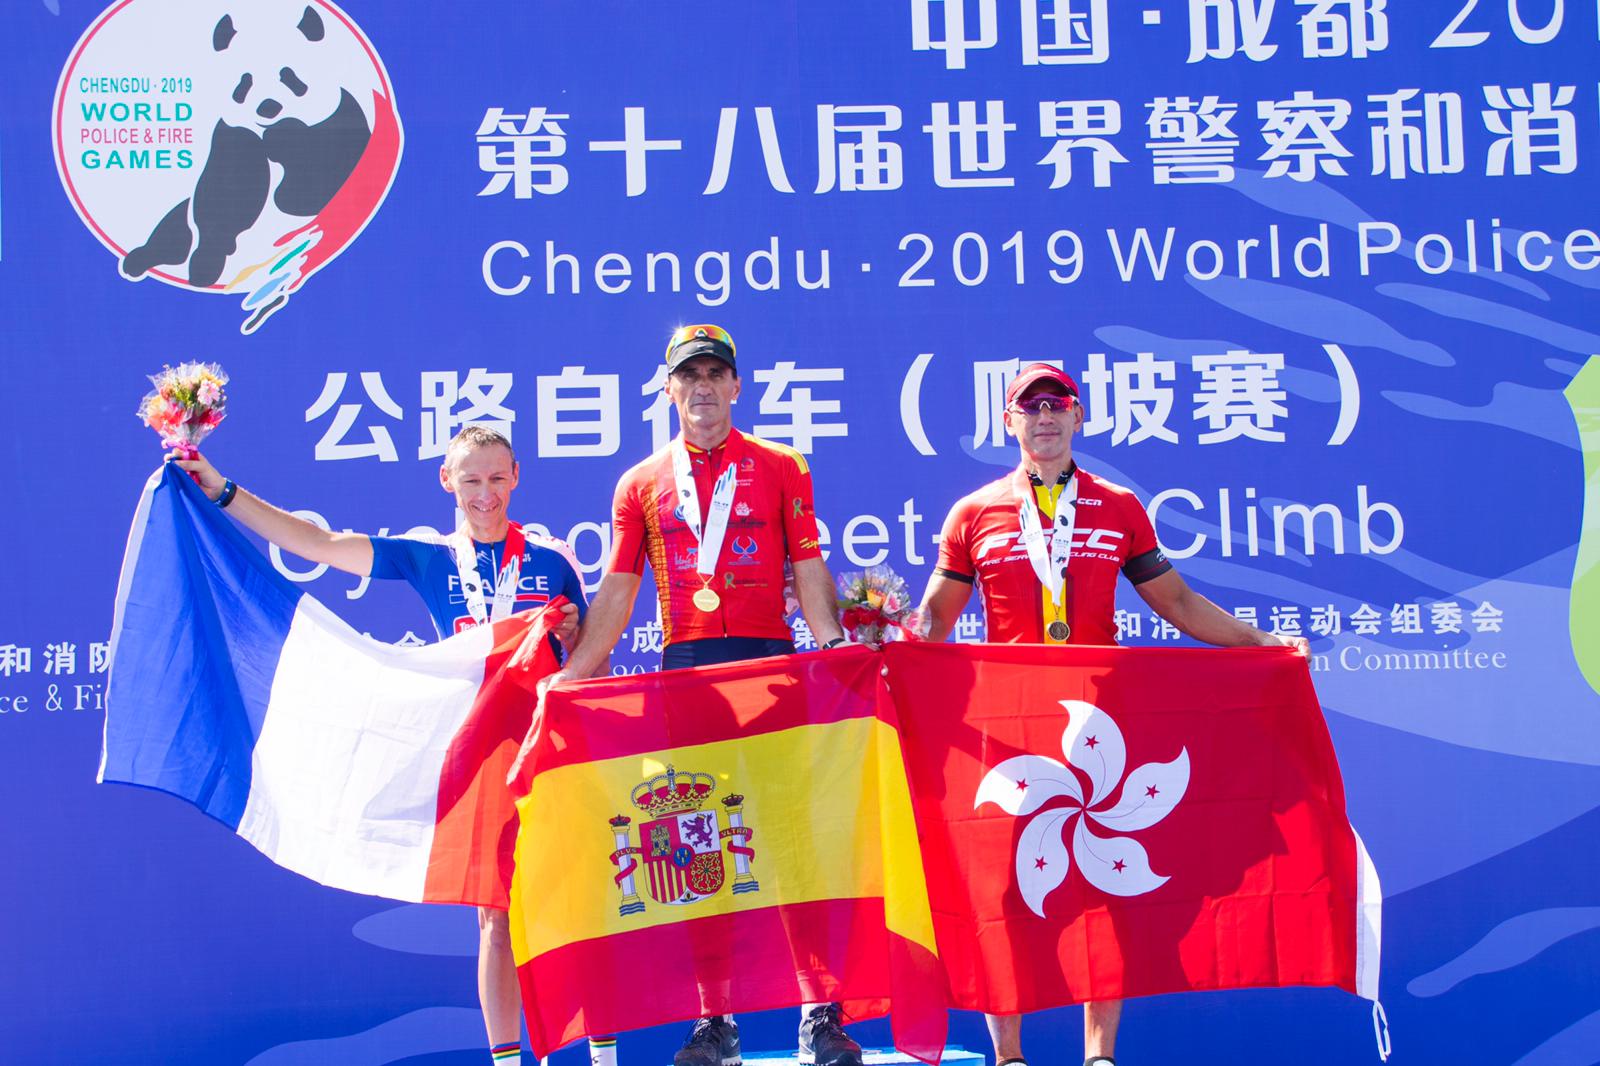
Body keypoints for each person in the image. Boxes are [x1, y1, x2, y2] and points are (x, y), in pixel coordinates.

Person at [913, 363, 1310, 1066]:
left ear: (1079, 416)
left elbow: (1179, 605)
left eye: (1057, 404)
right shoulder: (973, 513)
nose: (1044, 417)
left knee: (1100, 881)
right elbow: (934, 621)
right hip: (1007, 725)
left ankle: (1100, 1055)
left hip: (1099, 721)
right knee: (1004, 887)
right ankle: (1009, 1056)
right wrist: (882, 649)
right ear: (1009, 422)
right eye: (1029, 406)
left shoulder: (1118, 505)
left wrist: (1263, 644)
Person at [176, 425, 609, 1066]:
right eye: (470, 481)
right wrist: (222, 491)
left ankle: (602, 1058)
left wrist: (570, 639)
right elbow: (317, 543)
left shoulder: (553, 562)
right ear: (447, 481)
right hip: (479, 761)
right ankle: (509, 1060)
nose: (484, 494)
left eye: (495, 479)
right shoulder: (428, 557)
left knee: (575, 909)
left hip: (551, 755)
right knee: (493, 918)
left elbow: (590, 666)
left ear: (516, 474)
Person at [547, 324, 862, 1066]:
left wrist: (833, 644)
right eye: (689, 375)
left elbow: (810, 568)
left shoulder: (783, 466)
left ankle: (821, 1014)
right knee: (698, 850)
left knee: (793, 848)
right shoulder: (639, 483)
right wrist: (576, 674)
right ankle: (713, 1021)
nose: (702, 388)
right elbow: (619, 593)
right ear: (667, 389)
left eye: (716, 374)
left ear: (736, 386)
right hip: (687, 669)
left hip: (770, 665)